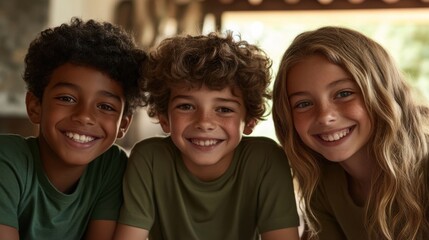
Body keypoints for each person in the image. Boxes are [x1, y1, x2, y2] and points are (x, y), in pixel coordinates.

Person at [114, 31, 300, 240]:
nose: (204, 122)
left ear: (249, 122)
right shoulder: (149, 158)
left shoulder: (265, 159)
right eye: (186, 106)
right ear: (164, 118)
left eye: (224, 109)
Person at [272, 26, 429, 240]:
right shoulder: (323, 182)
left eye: (344, 93)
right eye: (303, 103)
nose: (325, 116)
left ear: (382, 93)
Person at [0, 17, 148, 240]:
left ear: (123, 125)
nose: (84, 116)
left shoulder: (110, 167)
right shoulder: (7, 159)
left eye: (106, 106)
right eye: (67, 98)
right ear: (35, 106)